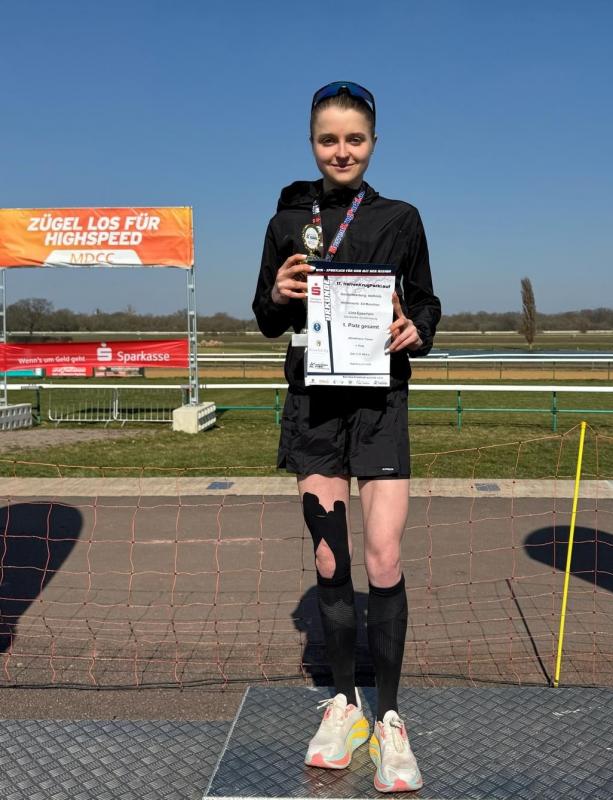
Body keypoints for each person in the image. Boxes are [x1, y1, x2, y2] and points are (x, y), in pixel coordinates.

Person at [253, 81, 441, 793]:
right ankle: (344, 706)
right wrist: (279, 294)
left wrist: (415, 328)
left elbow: (425, 301)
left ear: (373, 143)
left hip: (379, 405)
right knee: (330, 558)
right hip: (315, 407)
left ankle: (389, 717)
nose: (341, 151)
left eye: (354, 139)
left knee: (383, 556)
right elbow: (266, 316)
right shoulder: (285, 220)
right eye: (328, 139)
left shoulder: (401, 218)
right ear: (312, 143)